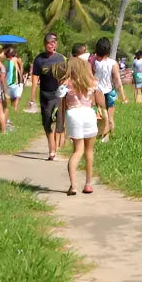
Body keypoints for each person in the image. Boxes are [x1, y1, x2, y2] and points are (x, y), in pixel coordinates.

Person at [57, 56, 98, 195]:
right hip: (88, 113)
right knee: (89, 151)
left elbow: (61, 106)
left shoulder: (66, 83)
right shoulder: (91, 82)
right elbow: (94, 101)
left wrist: (60, 126)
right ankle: (88, 184)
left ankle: (73, 186)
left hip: (73, 114)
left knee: (77, 151)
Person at [30, 33, 66, 160]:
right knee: (47, 123)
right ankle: (52, 147)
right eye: (50, 42)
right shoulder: (39, 60)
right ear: (45, 44)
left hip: (59, 95)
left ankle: (53, 149)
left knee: (60, 122)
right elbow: (34, 79)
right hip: (45, 95)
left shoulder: (61, 58)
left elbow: (66, 77)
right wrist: (32, 97)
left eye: (54, 42)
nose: (52, 44)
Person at [92, 37, 127, 142]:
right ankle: (107, 137)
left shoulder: (93, 61)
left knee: (99, 116)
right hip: (109, 92)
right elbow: (117, 82)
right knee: (109, 117)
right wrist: (123, 96)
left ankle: (101, 135)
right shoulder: (113, 63)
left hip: (96, 91)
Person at [3, 46, 24, 126]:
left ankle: (14, 109)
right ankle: (13, 109)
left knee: (17, 97)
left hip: (14, 82)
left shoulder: (15, 60)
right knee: (14, 97)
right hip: (10, 83)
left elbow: (20, 68)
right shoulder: (7, 61)